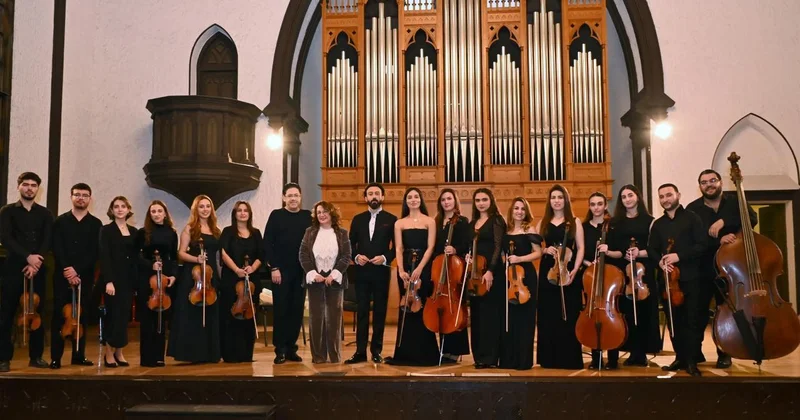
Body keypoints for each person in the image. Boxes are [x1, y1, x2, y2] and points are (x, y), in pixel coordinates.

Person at [686, 169, 757, 369]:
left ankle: (725, 352)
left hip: (731, 271)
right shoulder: (693, 209)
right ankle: (695, 352)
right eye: (704, 182)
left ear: (720, 182)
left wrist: (724, 221)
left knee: (727, 311)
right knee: (698, 312)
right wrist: (718, 240)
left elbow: (751, 219)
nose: (709, 185)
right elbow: (694, 240)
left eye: (712, 180)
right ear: (699, 186)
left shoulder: (735, 202)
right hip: (704, 268)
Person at [648, 183, 707, 377]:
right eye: (662, 196)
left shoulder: (692, 219)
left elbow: (701, 245)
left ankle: (691, 361)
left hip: (690, 279)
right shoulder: (658, 224)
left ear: (678, 195)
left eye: (669, 195)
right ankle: (679, 357)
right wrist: (660, 263)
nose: (665, 199)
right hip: (667, 282)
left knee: (691, 321)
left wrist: (678, 257)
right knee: (674, 322)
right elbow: (652, 250)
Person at [0, 172, 54, 372]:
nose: (29, 188)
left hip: (38, 268)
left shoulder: (46, 213)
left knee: (37, 313)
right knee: (6, 314)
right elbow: (6, 238)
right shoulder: (7, 211)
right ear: (18, 187)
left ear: (38, 189)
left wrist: (36, 261)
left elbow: (47, 240)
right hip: (13, 267)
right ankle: (3, 358)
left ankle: (36, 356)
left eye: (33, 185)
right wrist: (27, 257)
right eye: (25, 184)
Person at [605, 185, 660, 367]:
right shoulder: (615, 222)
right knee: (626, 313)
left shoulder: (650, 221)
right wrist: (623, 252)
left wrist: (640, 251)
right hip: (624, 273)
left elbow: (654, 248)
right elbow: (612, 246)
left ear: (637, 196)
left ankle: (641, 352)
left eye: (630, 195)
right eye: (623, 197)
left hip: (642, 273)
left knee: (644, 313)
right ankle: (630, 351)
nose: (627, 199)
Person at [49, 183, 102, 369]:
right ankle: (56, 357)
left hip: (84, 277)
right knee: (59, 315)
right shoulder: (60, 222)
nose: (81, 198)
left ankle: (78, 355)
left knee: (82, 315)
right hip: (62, 276)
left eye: (85, 195)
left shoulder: (96, 224)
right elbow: (57, 247)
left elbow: (95, 252)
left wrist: (77, 270)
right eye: (77, 194)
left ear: (90, 199)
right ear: (71, 197)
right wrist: (67, 269)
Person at [386, 188, 439, 366]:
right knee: (406, 309)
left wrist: (420, 269)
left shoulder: (429, 221)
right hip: (406, 267)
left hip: (423, 267)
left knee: (422, 306)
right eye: (410, 197)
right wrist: (401, 270)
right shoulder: (399, 223)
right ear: (406, 201)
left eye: (416, 196)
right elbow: (399, 248)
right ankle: (404, 354)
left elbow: (430, 247)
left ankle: (425, 353)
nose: (413, 199)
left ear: (420, 199)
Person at [345, 183, 397, 364]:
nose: (373, 196)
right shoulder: (357, 219)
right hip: (361, 272)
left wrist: (384, 258)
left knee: (380, 312)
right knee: (362, 312)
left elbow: (397, 247)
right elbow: (350, 244)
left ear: (382, 197)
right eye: (370, 194)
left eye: (377, 193)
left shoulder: (392, 219)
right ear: (365, 197)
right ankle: (360, 352)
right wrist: (356, 256)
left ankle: (376, 351)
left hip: (381, 272)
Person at [535, 184, 585, 369]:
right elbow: (535, 248)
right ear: (549, 201)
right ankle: (549, 359)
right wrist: (544, 249)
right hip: (548, 269)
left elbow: (580, 248)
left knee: (568, 314)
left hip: (568, 271)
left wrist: (575, 269)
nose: (556, 201)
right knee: (548, 315)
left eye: (560, 197)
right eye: (553, 197)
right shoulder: (543, 223)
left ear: (565, 200)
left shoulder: (575, 221)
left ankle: (569, 359)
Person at [168, 195, 222, 363]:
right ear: (196, 210)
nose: (205, 209)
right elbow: (181, 253)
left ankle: (211, 353)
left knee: (211, 314)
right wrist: (196, 259)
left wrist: (220, 277)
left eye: (208, 206)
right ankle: (192, 353)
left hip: (211, 278)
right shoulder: (190, 228)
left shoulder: (216, 230)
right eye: (201, 207)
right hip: (194, 278)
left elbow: (219, 256)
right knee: (193, 315)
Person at [263, 183, 312, 364]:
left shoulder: (308, 217)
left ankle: (292, 348)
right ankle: (280, 349)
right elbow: (267, 243)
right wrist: (274, 268)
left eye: (296, 195)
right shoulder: (276, 216)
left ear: (300, 197)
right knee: (281, 310)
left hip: (301, 272)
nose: (293, 198)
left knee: (297, 310)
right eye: (289, 195)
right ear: (284, 198)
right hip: (280, 272)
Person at [298, 201, 351, 363]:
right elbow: (303, 254)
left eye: (325, 212)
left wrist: (333, 274)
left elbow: (346, 256)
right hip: (315, 281)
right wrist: (313, 273)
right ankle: (318, 356)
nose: (321, 214)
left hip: (334, 281)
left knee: (334, 319)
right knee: (316, 319)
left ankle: (334, 356)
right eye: (319, 212)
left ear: (332, 214)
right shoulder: (310, 232)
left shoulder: (342, 233)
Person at [498, 197, 542, 370]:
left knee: (525, 318)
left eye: (522, 209)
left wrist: (519, 259)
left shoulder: (529, 229)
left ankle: (523, 360)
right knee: (509, 318)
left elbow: (538, 253)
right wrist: (505, 261)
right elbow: (502, 252)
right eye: (516, 208)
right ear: (511, 210)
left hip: (526, 277)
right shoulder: (506, 230)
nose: (519, 212)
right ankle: (509, 360)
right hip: (509, 278)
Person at [134, 200, 178, 367]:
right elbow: (137, 256)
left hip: (164, 278)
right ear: (149, 214)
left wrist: (173, 275)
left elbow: (173, 257)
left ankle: (159, 357)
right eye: (153, 211)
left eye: (160, 211)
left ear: (165, 213)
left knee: (162, 319)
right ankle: (146, 358)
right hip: (147, 278)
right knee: (147, 319)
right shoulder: (142, 232)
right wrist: (150, 265)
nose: (157, 214)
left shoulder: (171, 233)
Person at [220, 201, 263, 363]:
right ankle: (231, 354)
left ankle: (246, 354)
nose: (243, 213)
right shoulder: (228, 232)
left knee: (248, 318)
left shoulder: (256, 233)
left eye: (246, 210)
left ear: (249, 214)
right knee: (231, 317)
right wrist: (236, 269)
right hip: (231, 279)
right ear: (235, 213)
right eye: (239, 210)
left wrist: (253, 267)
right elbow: (223, 253)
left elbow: (261, 255)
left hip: (251, 281)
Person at [467, 188, 506, 369]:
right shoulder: (472, 223)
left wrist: (490, 271)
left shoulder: (496, 221)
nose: (481, 203)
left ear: (490, 200)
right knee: (477, 316)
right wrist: (468, 257)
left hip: (492, 273)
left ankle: (491, 357)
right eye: (478, 200)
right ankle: (479, 356)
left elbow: (498, 247)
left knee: (491, 316)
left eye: (484, 199)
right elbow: (470, 247)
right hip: (475, 275)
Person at [100, 196, 139, 367]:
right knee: (113, 316)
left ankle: (119, 352)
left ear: (128, 209)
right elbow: (104, 256)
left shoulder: (134, 231)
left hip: (128, 280)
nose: (120, 209)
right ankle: (108, 353)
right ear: (112, 210)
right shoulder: (106, 230)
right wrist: (108, 281)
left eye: (123, 206)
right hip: (113, 280)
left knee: (124, 317)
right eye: (116, 206)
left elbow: (137, 257)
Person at [432, 188, 471, 362]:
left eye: (449, 198)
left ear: (455, 200)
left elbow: (467, 244)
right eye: (443, 199)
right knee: (441, 310)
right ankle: (442, 349)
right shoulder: (437, 221)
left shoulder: (462, 221)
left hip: (455, 268)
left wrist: (456, 249)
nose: (446, 202)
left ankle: (455, 351)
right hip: (440, 269)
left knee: (454, 309)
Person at [579, 192, 616, 369]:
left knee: (611, 314)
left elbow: (619, 250)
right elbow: (581, 251)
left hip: (610, 275)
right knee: (592, 316)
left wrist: (608, 251)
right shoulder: (584, 227)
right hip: (591, 274)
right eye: (593, 204)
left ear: (605, 205)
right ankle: (596, 358)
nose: (596, 207)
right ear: (589, 206)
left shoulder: (613, 225)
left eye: (599, 204)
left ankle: (613, 358)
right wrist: (589, 263)